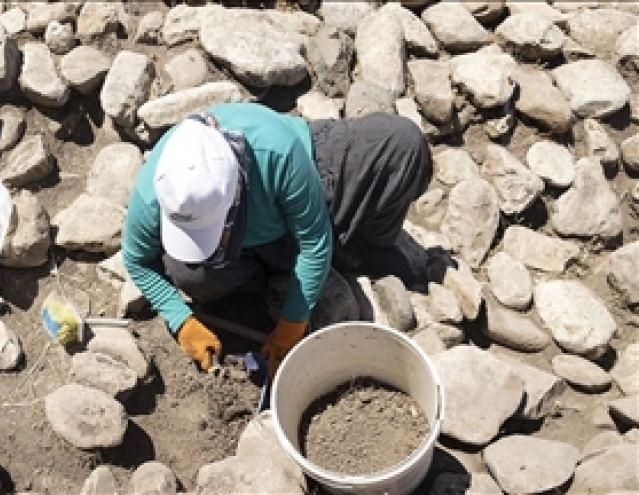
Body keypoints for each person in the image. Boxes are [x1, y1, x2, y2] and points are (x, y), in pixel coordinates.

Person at [121, 102, 431, 379]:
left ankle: (362, 249)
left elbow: (314, 242)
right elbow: (136, 260)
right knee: (188, 272)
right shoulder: (155, 194)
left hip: (302, 185)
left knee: (404, 143)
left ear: (235, 190)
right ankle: (266, 277)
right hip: (245, 250)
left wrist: (291, 325)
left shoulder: (276, 150)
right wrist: (180, 320)